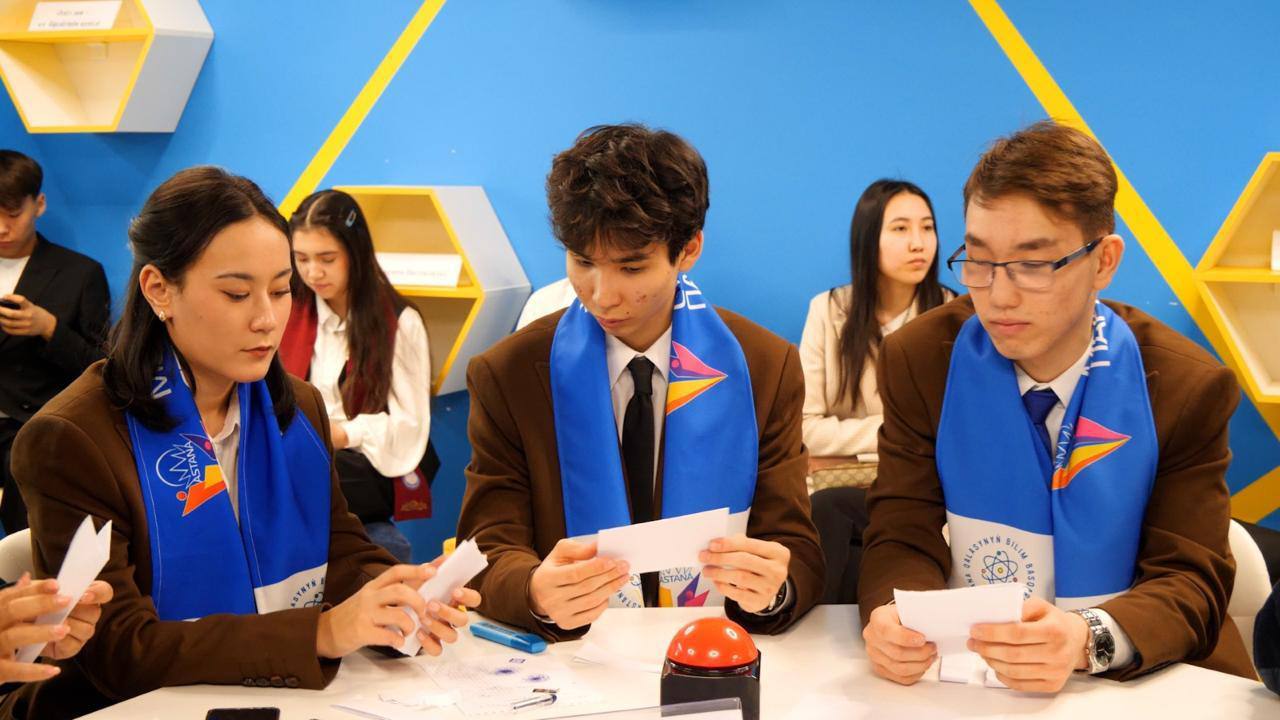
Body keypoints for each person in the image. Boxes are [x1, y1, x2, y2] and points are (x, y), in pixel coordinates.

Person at [8, 167, 479, 718]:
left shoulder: (297, 406)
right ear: (159, 289)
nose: (267, 319)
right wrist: (321, 632)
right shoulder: (73, 438)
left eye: (281, 290)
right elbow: (117, 650)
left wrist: (399, 594)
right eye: (236, 294)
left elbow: (340, 550)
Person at [858, 121, 1256, 692]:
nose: (998, 296)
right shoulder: (921, 360)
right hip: (975, 675)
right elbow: (901, 531)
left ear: (1104, 261)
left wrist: (1085, 638)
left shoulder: (1184, 386)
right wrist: (898, 616)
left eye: (1034, 264)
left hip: (1140, 683)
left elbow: (1190, 578)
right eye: (978, 260)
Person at [457, 124, 823, 641]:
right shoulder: (509, 373)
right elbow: (488, 545)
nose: (602, 295)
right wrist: (535, 590)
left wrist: (773, 587)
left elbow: (795, 546)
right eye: (583, 262)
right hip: (570, 659)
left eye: (631, 268)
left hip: (715, 648)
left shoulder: (764, 366)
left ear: (688, 250)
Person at [799, 179, 954, 603]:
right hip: (843, 491)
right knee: (828, 510)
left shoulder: (952, 316)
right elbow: (805, 429)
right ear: (869, 238)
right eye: (901, 229)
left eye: (927, 228)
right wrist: (901, 436)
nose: (918, 243)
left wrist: (852, 447)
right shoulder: (828, 310)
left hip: (923, 494)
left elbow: (951, 435)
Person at [280, 189, 437, 563]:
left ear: (355, 252)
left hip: (361, 464)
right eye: (301, 259)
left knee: (315, 474)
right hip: (302, 448)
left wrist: (343, 433)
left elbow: (409, 427)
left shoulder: (399, 322)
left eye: (327, 259)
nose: (313, 272)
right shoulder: (288, 309)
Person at [0, 150, 111, 533]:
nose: (2, 228)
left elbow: (102, 368)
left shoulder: (79, 273)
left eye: (13, 214)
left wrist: (49, 328)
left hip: (32, 428)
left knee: (28, 534)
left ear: (39, 204)